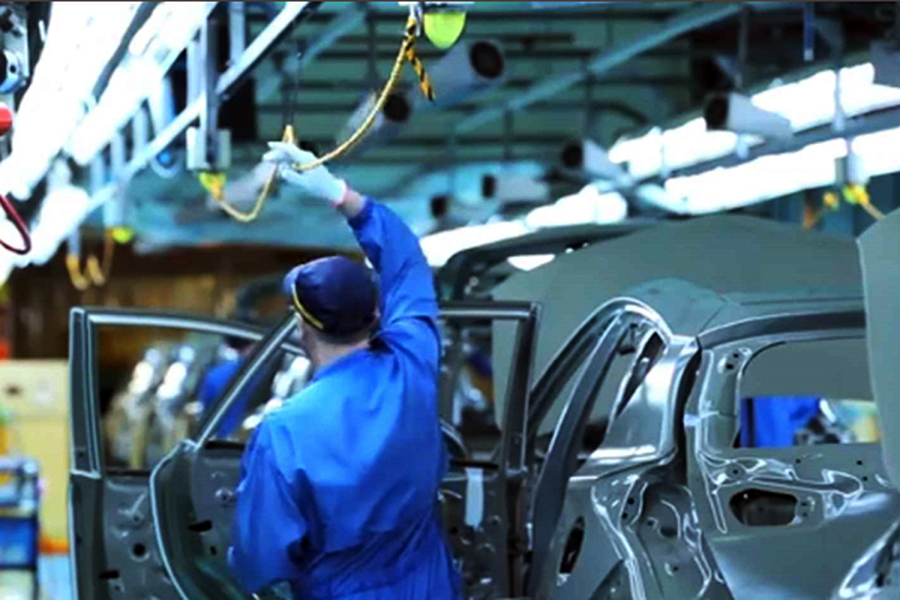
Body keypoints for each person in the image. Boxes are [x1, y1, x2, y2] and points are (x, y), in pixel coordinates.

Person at [229, 142, 459, 600]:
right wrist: (341, 195)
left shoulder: (285, 431)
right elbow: (407, 261)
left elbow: (259, 561)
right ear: (376, 314)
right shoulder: (411, 365)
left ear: (301, 328)